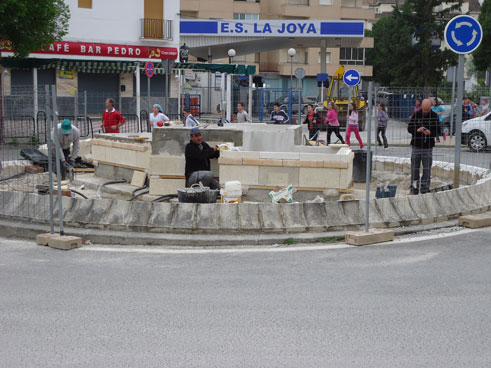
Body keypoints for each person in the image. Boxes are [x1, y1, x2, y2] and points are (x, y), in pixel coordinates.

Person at [408, 99, 439, 195]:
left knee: (427, 169)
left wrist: (430, 133)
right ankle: (414, 188)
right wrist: (417, 130)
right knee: (414, 169)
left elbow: (438, 131)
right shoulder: (416, 114)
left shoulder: (434, 116)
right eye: (424, 109)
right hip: (416, 145)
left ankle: (425, 188)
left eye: (427, 109)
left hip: (428, 146)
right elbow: (409, 128)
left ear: (430, 107)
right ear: (421, 106)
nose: (425, 111)